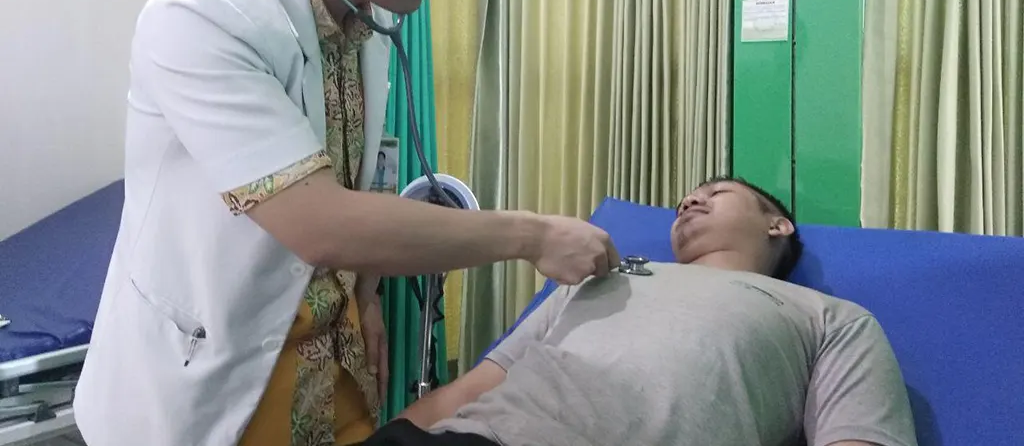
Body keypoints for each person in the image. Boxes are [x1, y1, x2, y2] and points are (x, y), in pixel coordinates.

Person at [73, 0, 618, 446]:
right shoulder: (202, 15)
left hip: (332, 364)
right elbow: (319, 222)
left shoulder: (368, 16)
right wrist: (532, 237)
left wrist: (364, 297)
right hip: (209, 375)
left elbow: (359, 175)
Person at [361, 177, 919, 446]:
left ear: (778, 225)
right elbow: (471, 388)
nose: (690, 200)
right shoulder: (598, 276)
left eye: (716, 193)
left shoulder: (829, 317)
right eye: (687, 198)